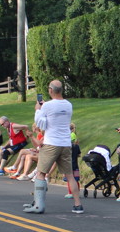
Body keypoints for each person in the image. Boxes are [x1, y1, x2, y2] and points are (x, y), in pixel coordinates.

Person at [25, 80, 84, 214]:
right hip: (65, 143)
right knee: (69, 175)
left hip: (51, 143)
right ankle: (78, 204)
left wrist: (38, 110)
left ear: (51, 90)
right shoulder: (68, 105)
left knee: (41, 173)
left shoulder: (47, 106)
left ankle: (38, 205)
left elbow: (40, 123)